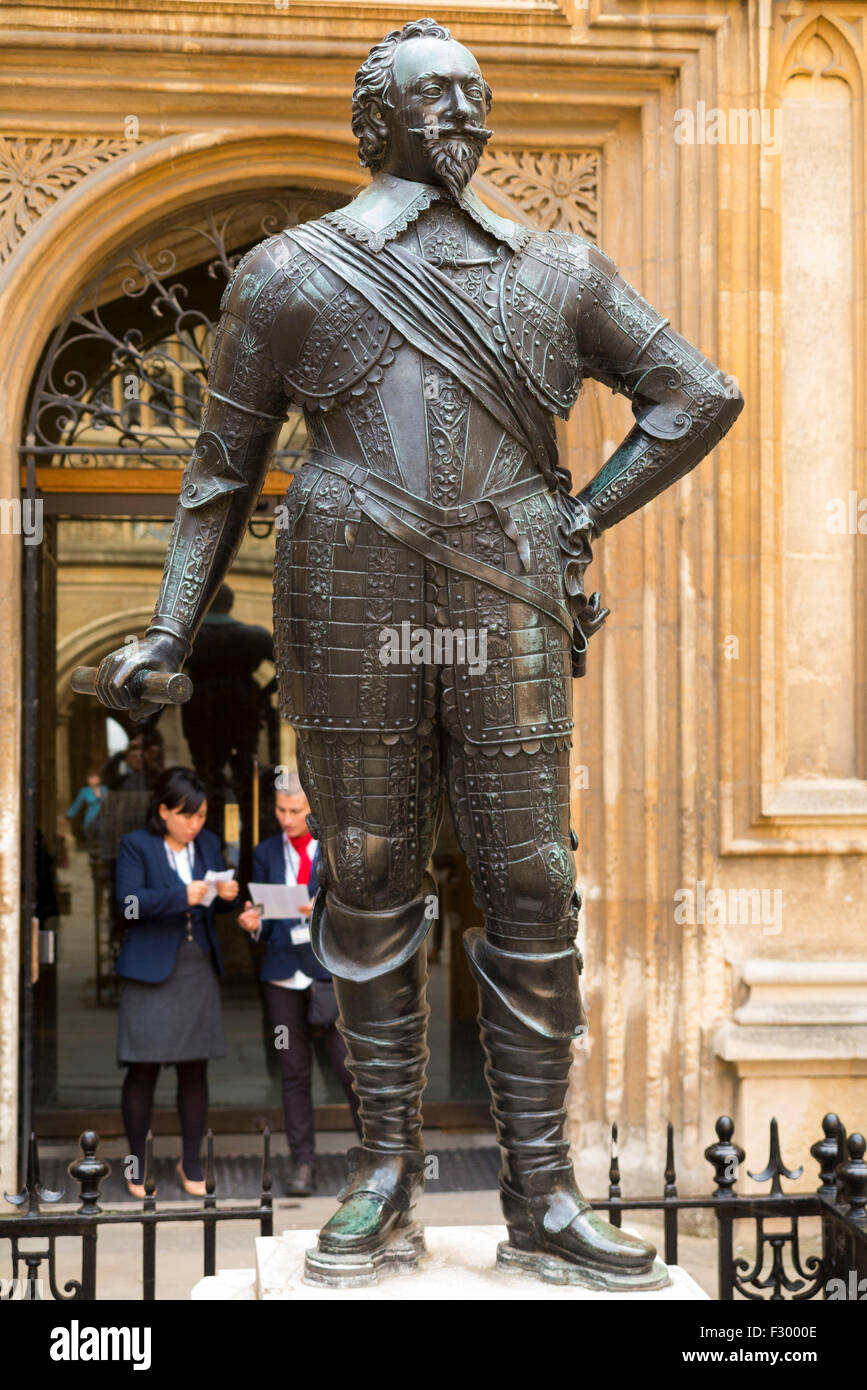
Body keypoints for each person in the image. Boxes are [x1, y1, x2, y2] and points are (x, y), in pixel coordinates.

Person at [91, 20, 743, 1286]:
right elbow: (217, 475)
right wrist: (172, 626)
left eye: (474, 95)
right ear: (372, 120)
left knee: (536, 879)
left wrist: (581, 513)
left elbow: (697, 391)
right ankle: (381, 1172)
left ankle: (541, 1190)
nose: (460, 115)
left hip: (506, 600)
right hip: (346, 593)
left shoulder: (558, 268)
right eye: (432, 96)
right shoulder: (291, 272)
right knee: (373, 876)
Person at [114, 766, 239, 1199]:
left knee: (194, 1067)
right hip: (149, 969)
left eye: (202, 816)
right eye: (188, 816)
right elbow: (127, 906)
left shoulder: (206, 844)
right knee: (142, 1068)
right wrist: (177, 896)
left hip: (196, 965)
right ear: (163, 810)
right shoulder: (136, 846)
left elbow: (217, 903)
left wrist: (228, 897)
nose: (196, 825)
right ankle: (137, 1165)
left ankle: (191, 1164)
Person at [238, 775, 361, 1196]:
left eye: (295, 811)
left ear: (314, 808)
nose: (287, 819)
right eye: (280, 810)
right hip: (281, 973)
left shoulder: (335, 850)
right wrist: (252, 923)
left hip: (328, 973)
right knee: (293, 1071)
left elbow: (358, 914)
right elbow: (259, 910)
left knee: (350, 1070)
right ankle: (302, 1164)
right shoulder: (265, 852)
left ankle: (375, 1157)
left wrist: (324, 910)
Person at [66, 770, 104, 852]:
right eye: (91, 778)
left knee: (103, 842)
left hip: (104, 819)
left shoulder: (105, 789)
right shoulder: (84, 791)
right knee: (91, 842)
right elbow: (77, 804)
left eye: (95, 777)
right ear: (88, 780)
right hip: (90, 818)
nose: (93, 779)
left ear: (99, 779)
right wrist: (69, 815)